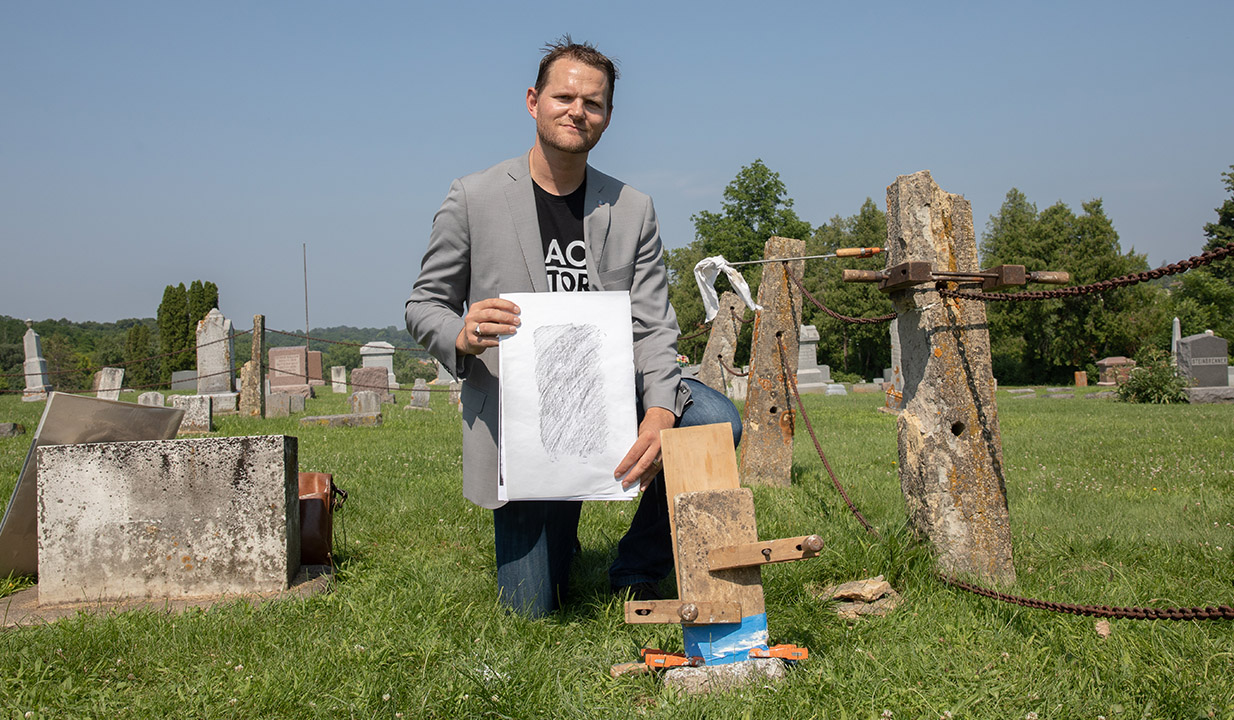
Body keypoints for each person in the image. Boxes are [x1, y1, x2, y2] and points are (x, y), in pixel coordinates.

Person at [405, 38, 741, 618]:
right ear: (533, 101)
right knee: (536, 611)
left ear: (608, 117)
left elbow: (655, 327)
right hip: (523, 419)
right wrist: (460, 334)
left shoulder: (633, 208)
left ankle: (636, 568)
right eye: (563, 97)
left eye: (593, 103)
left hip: (611, 391)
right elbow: (423, 304)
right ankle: (558, 533)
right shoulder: (473, 197)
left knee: (712, 420)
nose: (576, 111)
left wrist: (661, 413)